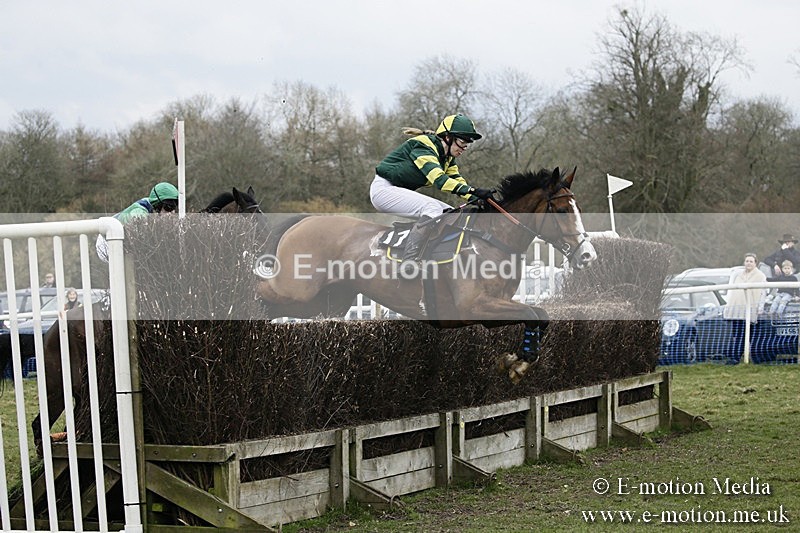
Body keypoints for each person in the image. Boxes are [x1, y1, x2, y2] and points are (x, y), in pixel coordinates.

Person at [370, 114, 494, 273]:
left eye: (467, 144)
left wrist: (478, 198)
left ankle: (432, 258)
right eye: (462, 142)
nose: (464, 148)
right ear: (448, 137)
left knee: (451, 214)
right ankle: (408, 262)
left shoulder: (447, 158)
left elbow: (457, 181)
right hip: (383, 190)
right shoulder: (423, 146)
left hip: (398, 191)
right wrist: (473, 191)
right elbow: (439, 180)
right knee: (432, 208)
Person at [96, 182, 179, 262]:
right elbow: (140, 242)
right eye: (168, 207)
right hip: (106, 241)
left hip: (119, 235)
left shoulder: (152, 204)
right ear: (158, 206)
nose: (172, 212)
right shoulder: (139, 213)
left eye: (174, 208)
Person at [723, 253, 767, 362]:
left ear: (755, 263)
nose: (748, 263)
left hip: (749, 310)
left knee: (746, 335)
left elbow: (763, 293)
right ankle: (736, 357)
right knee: (737, 334)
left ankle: (738, 358)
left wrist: (760, 307)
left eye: (751, 261)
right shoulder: (738, 275)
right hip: (736, 310)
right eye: (747, 261)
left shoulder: (760, 276)